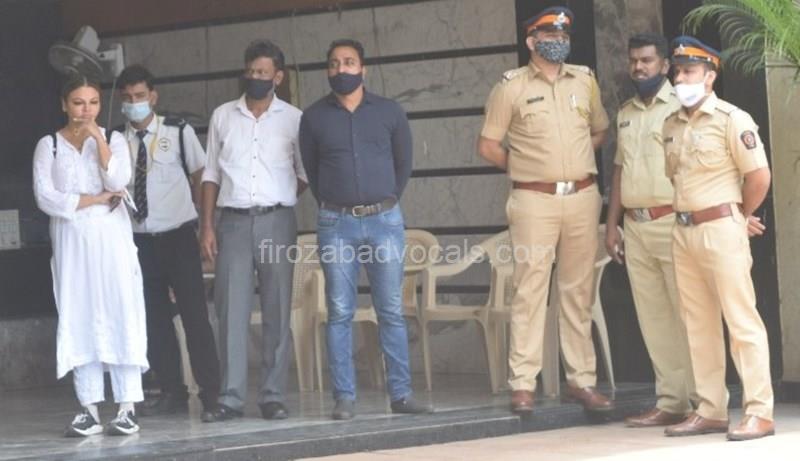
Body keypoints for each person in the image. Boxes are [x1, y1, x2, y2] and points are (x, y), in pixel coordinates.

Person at [477, 6, 614, 414]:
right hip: (534, 200)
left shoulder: (585, 80)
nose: (558, 41)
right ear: (531, 41)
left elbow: (600, 130)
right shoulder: (511, 87)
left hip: (583, 198)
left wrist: (574, 162)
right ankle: (523, 383)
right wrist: (528, 168)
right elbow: (488, 146)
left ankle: (581, 381)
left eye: (562, 35)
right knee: (530, 289)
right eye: (549, 35)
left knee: (578, 291)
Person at [299, 38, 431, 420]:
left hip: (384, 221)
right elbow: (313, 170)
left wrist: (381, 201)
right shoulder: (314, 117)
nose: (341, 69)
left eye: (349, 62)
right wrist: (340, 204)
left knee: (390, 309)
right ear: (328, 70)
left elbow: (403, 164)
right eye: (334, 63)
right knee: (339, 310)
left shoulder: (389, 111)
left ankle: (401, 395)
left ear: (363, 68)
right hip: (336, 223)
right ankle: (344, 397)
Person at [662, 36, 774, 441]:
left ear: (709, 76)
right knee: (698, 325)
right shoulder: (670, 124)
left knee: (741, 320)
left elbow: (758, 176)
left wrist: (739, 214)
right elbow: (675, 178)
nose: (680, 79)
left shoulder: (732, 119)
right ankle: (710, 409)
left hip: (722, 229)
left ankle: (759, 411)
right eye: (677, 72)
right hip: (684, 231)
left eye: (689, 71)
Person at [33, 74, 147, 437]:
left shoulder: (114, 139)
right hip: (71, 240)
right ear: (64, 104)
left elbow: (118, 181)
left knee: (120, 309)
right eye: (79, 103)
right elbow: (46, 197)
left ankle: (127, 406)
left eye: (93, 103)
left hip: (111, 239)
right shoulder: (49, 145)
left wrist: (98, 138)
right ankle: (89, 408)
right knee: (78, 312)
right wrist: (94, 199)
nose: (86, 110)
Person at [200, 40, 306, 421]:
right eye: (251, 71)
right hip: (232, 222)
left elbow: (303, 174)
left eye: (263, 72)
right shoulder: (223, 116)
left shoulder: (294, 119)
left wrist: (279, 197)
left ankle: (272, 395)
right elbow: (210, 174)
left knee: (277, 307)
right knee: (231, 310)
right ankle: (230, 397)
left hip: (277, 220)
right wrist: (207, 226)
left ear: (278, 76)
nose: (255, 78)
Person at [116, 64, 222, 423]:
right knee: (154, 319)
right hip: (138, 242)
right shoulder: (115, 140)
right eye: (127, 98)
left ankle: (211, 394)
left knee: (194, 317)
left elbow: (201, 176)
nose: (134, 103)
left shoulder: (178, 131)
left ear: (153, 97)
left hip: (178, 237)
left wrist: (205, 226)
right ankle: (172, 391)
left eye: (140, 96)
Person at [605, 34, 696, 427]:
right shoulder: (625, 112)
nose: (639, 67)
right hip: (635, 227)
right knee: (654, 319)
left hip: (672, 221)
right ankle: (671, 401)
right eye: (634, 61)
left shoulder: (683, 106)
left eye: (646, 60)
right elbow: (619, 170)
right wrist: (611, 224)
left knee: (688, 315)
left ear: (664, 65)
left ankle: (704, 402)